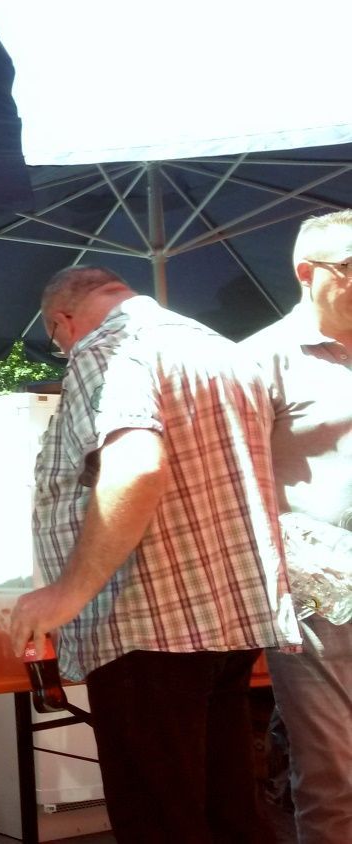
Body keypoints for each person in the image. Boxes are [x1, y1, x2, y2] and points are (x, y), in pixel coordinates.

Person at [12, 265, 300, 842]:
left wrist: (68, 592)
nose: (64, 351)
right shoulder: (227, 354)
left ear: (63, 321)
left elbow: (137, 465)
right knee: (229, 813)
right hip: (230, 616)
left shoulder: (108, 349)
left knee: (160, 820)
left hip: (145, 624)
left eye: (57, 341)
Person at [241, 209, 352, 844]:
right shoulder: (259, 360)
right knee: (333, 774)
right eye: (351, 267)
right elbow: (234, 483)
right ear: (306, 272)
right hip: (316, 599)